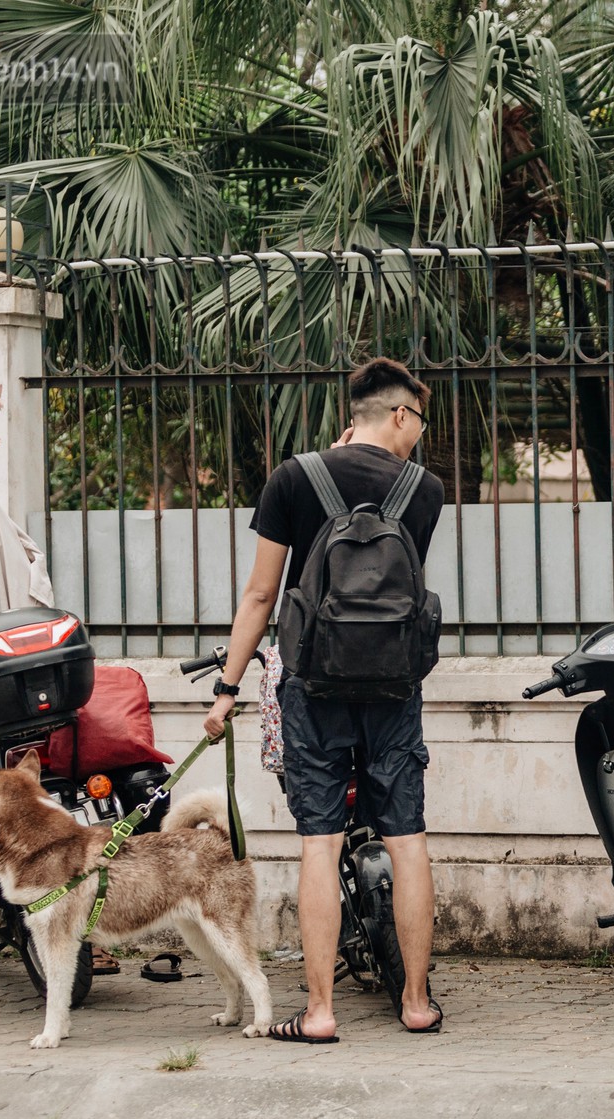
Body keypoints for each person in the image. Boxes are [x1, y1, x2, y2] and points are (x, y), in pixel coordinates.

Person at [203, 357, 446, 1040]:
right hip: (394, 688)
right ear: (399, 414)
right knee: (408, 839)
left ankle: (318, 1011)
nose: (418, 437)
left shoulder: (294, 477)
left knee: (319, 841)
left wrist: (226, 691)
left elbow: (259, 596)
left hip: (312, 685)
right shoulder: (423, 491)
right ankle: (417, 1002)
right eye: (418, 422)